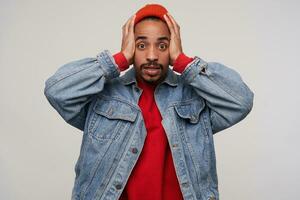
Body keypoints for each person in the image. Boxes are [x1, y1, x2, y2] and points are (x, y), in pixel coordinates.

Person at [44, 4, 254, 200]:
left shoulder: (194, 98)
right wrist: (119, 60)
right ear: (130, 46)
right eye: (141, 45)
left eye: (162, 45)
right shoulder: (104, 95)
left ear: (172, 47)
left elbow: (241, 101)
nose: (152, 55)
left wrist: (183, 62)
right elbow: (56, 90)